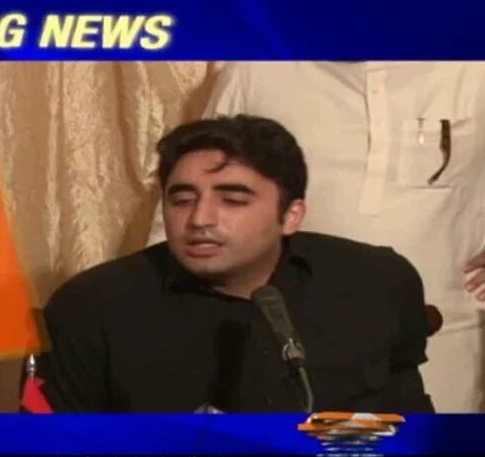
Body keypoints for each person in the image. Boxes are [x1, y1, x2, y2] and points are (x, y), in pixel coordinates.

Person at [42, 115, 434, 413]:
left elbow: (411, 428)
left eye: (232, 200)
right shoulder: (92, 306)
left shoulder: (376, 281)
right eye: (182, 200)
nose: (200, 219)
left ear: (291, 215)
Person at [191, 62, 485, 412]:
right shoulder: (256, 70)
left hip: (442, 341)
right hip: (283, 343)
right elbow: (192, 194)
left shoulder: (470, 69)